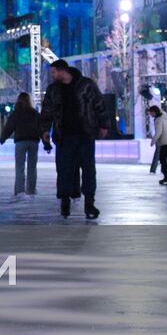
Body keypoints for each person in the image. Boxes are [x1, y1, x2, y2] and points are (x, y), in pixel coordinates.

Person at [38, 60, 107, 219]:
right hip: (63, 137)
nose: (52, 75)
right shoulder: (53, 90)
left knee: (88, 170)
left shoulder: (86, 85)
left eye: (53, 72)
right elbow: (46, 112)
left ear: (62, 71)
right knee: (64, 170)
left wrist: (104, 125)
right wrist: (45, 131)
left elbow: (99, 105)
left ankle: (89, 203)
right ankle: (65, 201)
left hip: (85, 134)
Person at [0, 92, 50, 198]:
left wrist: (3, 138)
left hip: (20, 142)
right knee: (32, 167)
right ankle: (31, 190)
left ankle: (20, 191)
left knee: (20, 167)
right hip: (33, 142)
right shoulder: (35, 113)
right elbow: (42, 128)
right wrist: (46, 143)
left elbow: (9, 127)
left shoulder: (16, 113)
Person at [147, 105, 167, 186]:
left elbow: (159, 132)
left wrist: (153, 141)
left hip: (165, 142)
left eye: (151, 113)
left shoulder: (159, 120)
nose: (150, 115)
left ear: (154, 112)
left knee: (163, 160)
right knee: (163, 160)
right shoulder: (163, 117)